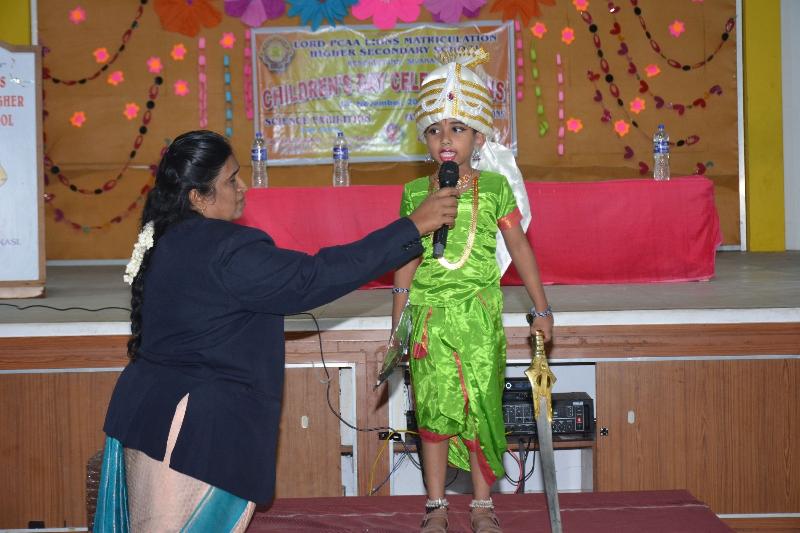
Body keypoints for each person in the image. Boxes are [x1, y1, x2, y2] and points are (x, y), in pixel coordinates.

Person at [93, 129, 459, 532]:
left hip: (148, 419)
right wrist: (412, 227)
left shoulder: (169, 237)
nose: (242, 187)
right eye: (231, 180)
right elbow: (312, 278)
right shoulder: (226, 247)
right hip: (192, 435)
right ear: (198, 196)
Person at [390, 48, 554, 533]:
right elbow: (405, 261)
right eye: (435, 130)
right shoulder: (415, 193)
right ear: (425, 140)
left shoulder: (496, 188)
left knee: (483, 411)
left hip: (480, 319)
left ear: (478, 137)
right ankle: (436, 505)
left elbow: (520, 247)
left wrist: (542, 309)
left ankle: (483, 507)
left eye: (458, 129)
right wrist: (398, 327)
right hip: (430, 320)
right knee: (434, 412)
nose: (446, 139)